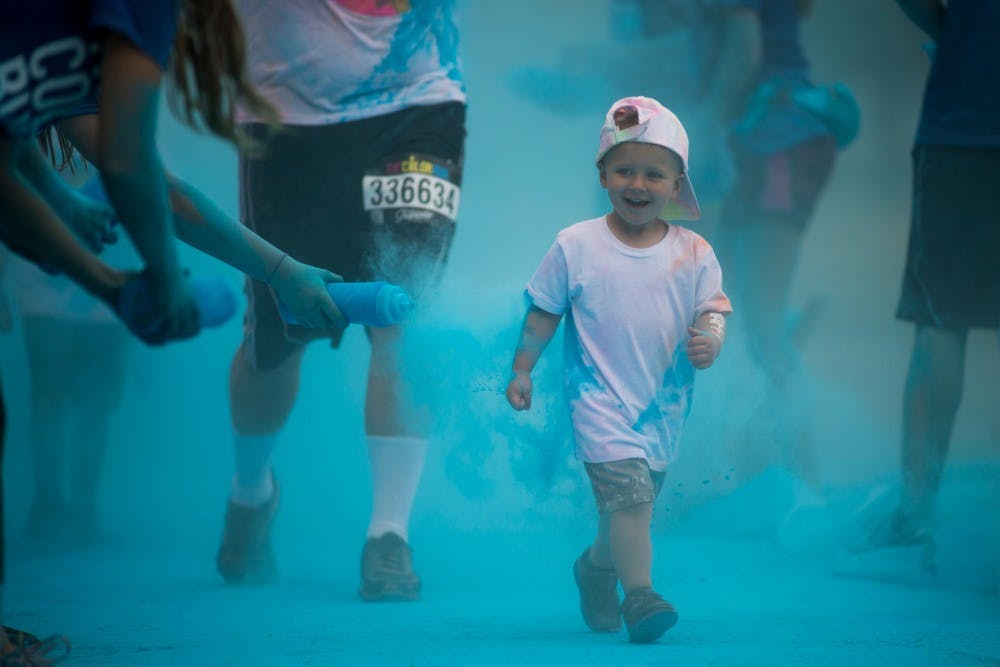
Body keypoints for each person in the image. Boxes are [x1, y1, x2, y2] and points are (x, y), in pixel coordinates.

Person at [214, 0, 467, 603]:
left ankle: (389, 534)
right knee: (278, 339)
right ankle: (252, 492)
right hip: (287, 118)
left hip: (417, 102)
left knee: (404, 312)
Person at [505, 97, 732, 643]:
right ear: (603, 173)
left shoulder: (694, 252)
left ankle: (595, 569)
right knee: (630, 500)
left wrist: (712, 340)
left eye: (655, 174)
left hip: (662, 409)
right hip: (597, 402)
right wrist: (522, 370)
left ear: (676, 186)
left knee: (628, 512)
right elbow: (543, 314)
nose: (638, 183)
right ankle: (641, 598)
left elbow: (714, 310)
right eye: (625, 169)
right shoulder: (576, 245)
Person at [0, 0, 345, 345]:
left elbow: (10, 137)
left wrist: (64, 207)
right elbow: (128, 164)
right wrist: (165, 280)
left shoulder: (60, 42)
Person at [857, 0, 1000, 557]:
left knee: (940, 321)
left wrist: (958, 33)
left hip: (964, 128)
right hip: (961, 123)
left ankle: (915, 516)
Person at [692, 0, 840, 515]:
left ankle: (806, 492)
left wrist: (706, 129)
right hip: (768, 135)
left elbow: (744, 46)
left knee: (759, 323)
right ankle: (759, 475)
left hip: (769, 136)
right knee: (731, 312)